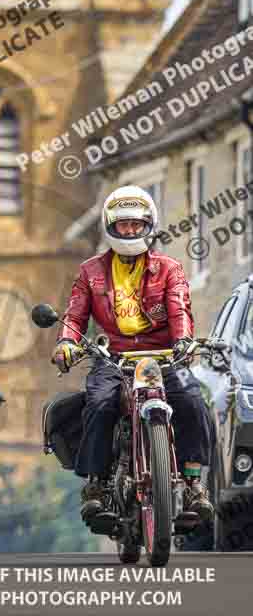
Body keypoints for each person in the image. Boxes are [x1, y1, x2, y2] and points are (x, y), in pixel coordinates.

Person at [52, 185, 213, 523]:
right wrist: (67, 342)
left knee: (193, 402)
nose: (129, 231)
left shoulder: (170, 268)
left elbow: (180, 308)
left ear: (148, 226)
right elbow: (75, 315)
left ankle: (195, 483)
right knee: (98, 403)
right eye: (123, 225)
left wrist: (184, 341)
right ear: (111, 227)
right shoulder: (90, 271)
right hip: (113, 358)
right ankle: (95, 485)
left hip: (166, 357)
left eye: (135, 224)